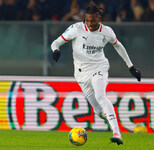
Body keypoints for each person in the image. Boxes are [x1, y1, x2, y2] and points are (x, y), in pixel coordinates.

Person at [51, 4, 141, 145]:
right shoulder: (76, 29)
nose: (90, 23)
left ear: (99, 18)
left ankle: (117, 132)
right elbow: (55, 42)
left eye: (93, 20)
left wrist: (131, 66)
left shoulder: (107, 31)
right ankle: (112, 119)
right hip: (81, 75)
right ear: (84, 20)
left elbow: (118, 45)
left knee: (100, 96)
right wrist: (56, 50)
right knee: (99, 111)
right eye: (87, 21)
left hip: (99, 67)